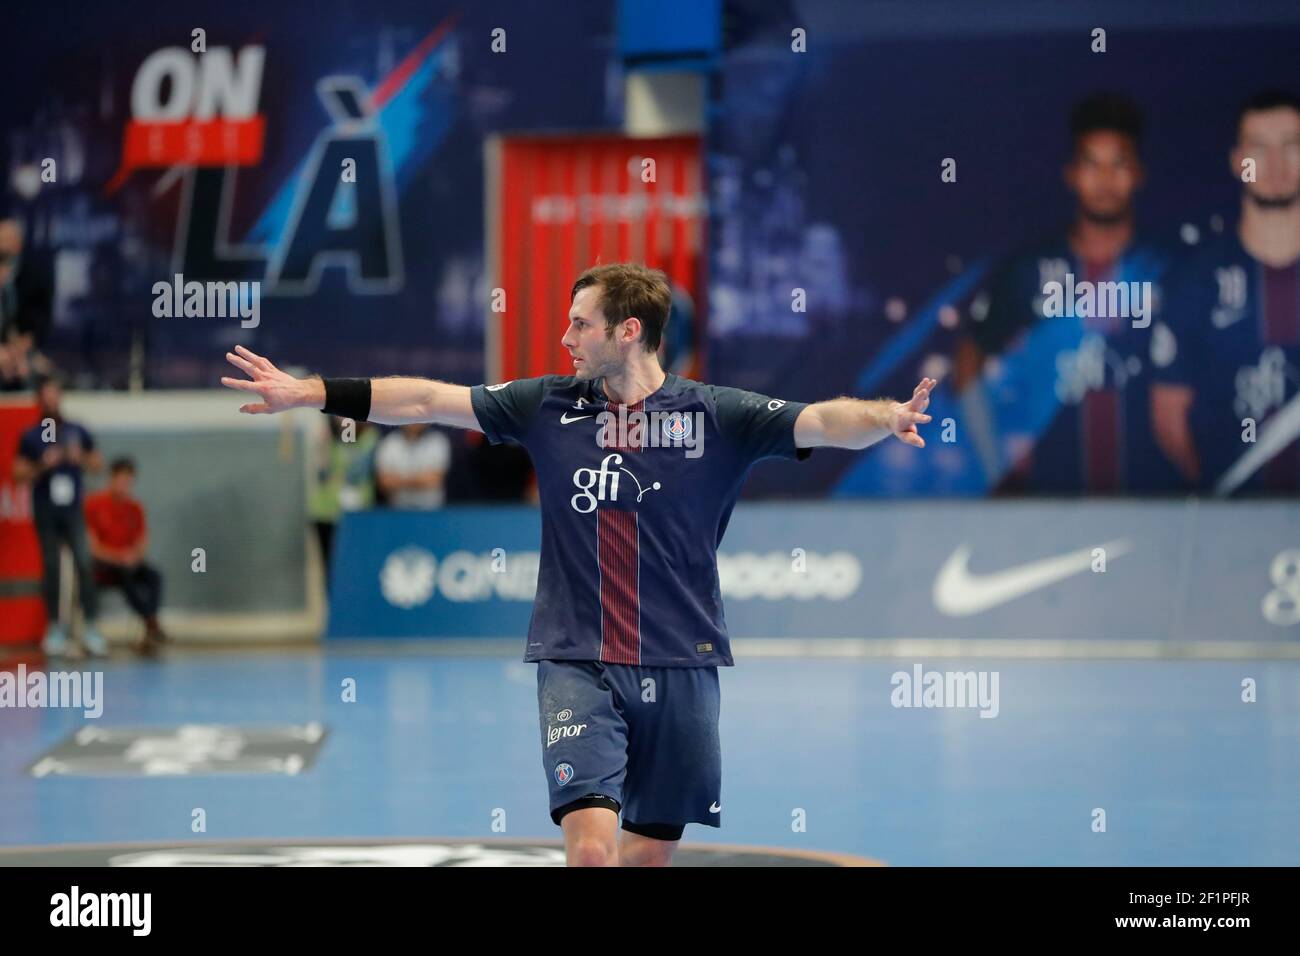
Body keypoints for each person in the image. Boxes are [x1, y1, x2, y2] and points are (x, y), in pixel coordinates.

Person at [221, 262, 933, 866]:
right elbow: (427, 401)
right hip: (576, 657)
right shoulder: (545, 406)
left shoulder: (719, 416)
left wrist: (887, 416)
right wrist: (311, 393)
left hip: (682, 661)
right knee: (591, 852)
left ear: (628, 332)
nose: (564, 338)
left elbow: (823, 420)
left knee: (645, 855)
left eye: (579, 325)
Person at [954, 92, 1177, 493]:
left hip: (1156, 499)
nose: (1106, 180)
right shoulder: (1029, 271)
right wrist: (995, 470)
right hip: (1047, 500)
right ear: (1071, 173)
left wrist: (1196, 478)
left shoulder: (1168, 270)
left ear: (1139, 173)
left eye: (1119, 163)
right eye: (1092, 164)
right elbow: (969, 361)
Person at [1151, 90, 1300, 495]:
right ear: (1238, 162)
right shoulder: (1194, 278)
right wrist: (1220, 504)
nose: (1274, 165)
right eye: (1259, 149)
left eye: (1291, 147)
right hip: (1229, 527)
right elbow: (1169, 417)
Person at [11, 375, 107, 656]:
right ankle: (55, 627)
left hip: (73, 508)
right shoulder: (30, 435)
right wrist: (43, 465)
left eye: (55, 395)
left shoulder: (77, 430)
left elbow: (97, 463)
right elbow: (18, 474)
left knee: (84, 562)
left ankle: (90, 627)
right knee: (51, 566)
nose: (51, 401)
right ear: (40, 399)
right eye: (46, 396)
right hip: (45, 508)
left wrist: (81, 458)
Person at [84, 457, 168, 656]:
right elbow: (92, 547)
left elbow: (142, 543)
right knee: (125, 574)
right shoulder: (94, 505)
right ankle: (152, 624)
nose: (124, 485)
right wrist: (118, 557)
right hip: (103, 567)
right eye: (120, 480)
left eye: (128, 481)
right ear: (111, 479)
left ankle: (150, 624)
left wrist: (133, 556)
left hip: (129, 564)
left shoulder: (135, 508)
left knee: (154, 575)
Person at [373, 422, 452, 510]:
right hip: (397, 510)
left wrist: (399, 480)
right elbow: (384, 483)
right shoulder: (389, 443)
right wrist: (420, 479)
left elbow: (434, 480)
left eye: (418, 417)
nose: (414, 421)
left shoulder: (438, 441)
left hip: (431, 510)